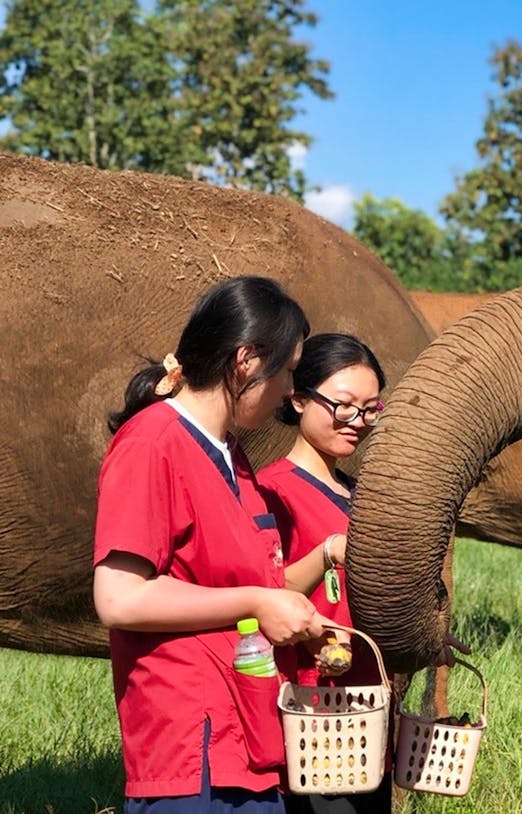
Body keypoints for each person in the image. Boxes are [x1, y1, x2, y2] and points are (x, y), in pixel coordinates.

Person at [93, 276, 332, 813]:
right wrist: (255, 603)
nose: (291, 390)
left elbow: (244, 582)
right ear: (247, 359)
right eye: (289, 370)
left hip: (247, 733)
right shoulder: (152, 442)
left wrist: (296, 616)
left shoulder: (232, 454)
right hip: (191, 747)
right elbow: (120, 598)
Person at [257, 333, 392, 814]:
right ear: (297, 399)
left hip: (367, 706)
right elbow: (267, 593)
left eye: (370, 409)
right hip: (313, 709)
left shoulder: (361, 493)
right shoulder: (272, 491)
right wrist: (328, 551)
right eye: (343, 406)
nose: (358, 422)